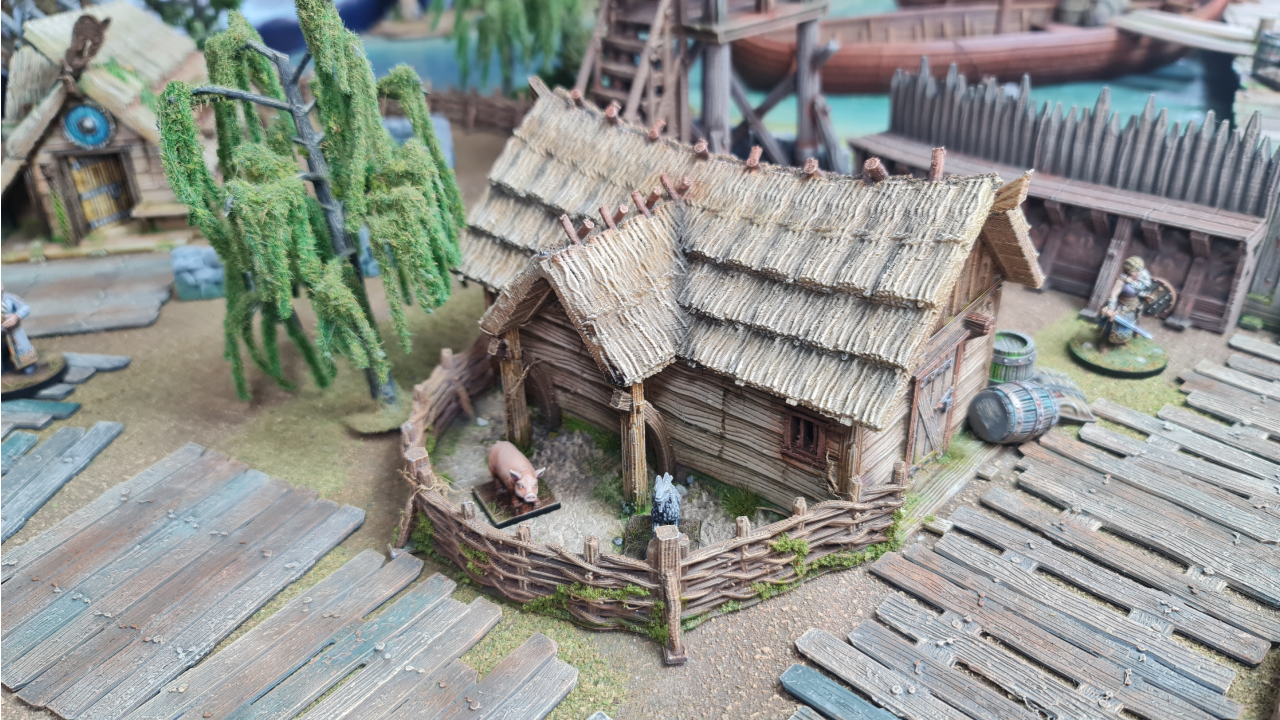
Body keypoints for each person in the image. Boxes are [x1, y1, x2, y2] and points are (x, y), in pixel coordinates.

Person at [1100, 256, 1153, 346]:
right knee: (1113, 325)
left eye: (1139, 270)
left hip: (1133, 307)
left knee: (1129, 325)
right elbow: (1114, 294)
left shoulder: (1139, 280)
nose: (1138, 273)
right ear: (1127, 270)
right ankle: (1104, 343)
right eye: (1134, 271)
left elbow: (1137, 292)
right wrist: (1111, 309)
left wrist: (1144, 296)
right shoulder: (1122, 280)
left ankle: (1122, 341)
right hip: (1121, 307)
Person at [2, 283, 38, 374]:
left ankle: (29, 369)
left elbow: (25, 307)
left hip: (14, 332)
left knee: (24, 354)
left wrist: (16, 316)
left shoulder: (10, 298)